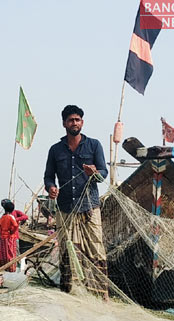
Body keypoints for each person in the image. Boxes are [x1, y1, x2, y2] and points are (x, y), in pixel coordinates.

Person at [43, 105, 108, 296]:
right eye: (71, 120)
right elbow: (48, 176)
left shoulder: (94, 145)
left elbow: (103, 174)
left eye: (78, 119)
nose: (75, 123)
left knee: (96, 250)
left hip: (89, 208)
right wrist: (51, 188)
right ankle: (69, 292)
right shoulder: (55, 150)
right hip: (65, 209)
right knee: (67, 252)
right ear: (64, 123)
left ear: (82, 123)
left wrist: (94, 173)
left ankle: (99, 294)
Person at [0, 200, 19, 273]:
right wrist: (12, 231)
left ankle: (2, 267)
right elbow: (16, 225)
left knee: (3, 253)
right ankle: (11, 269)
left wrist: (1, 234)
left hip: (3, 237)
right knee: (11, 253)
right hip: (10, 237)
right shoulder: (11, 217)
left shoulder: (2, 217)